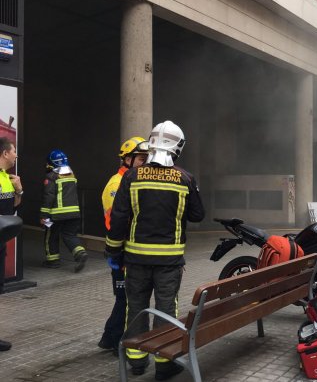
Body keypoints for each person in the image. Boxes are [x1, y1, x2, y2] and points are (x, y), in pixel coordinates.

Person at [106, 121, 204, 380]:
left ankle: (137, 361)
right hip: (169, 261)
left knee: (135, 306)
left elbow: (118, 219)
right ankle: (164, 362)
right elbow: (197, 215)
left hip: (135, 258)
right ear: (177, 147)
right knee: (165, 308)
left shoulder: (132, 176)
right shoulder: (185, 178)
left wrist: (113, 252)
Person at [98, 137, 149, 355]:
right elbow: (114, 223)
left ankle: (110, 338)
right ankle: (117, 342)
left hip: (132, 252)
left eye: (147, 158)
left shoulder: (133, 180)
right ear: (127, 159)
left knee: (126, 298)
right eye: (141, 158)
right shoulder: (116, 185)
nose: (145, 163)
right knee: (125, 299)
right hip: (122, 252)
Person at [40, 150, 88, 272]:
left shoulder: (51, 176)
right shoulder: (72, 175)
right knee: (69, 235)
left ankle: (53, 261)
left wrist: (44, 215)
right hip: (74, 213)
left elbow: (48, 197)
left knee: (51, 236)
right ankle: (80, 253)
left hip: (57, 214)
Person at [0, 137, 23, 351]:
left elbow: (13, 207)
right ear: (5, 153)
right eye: (14, 151)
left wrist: (19, 190)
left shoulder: (8, 178)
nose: (16, 155)